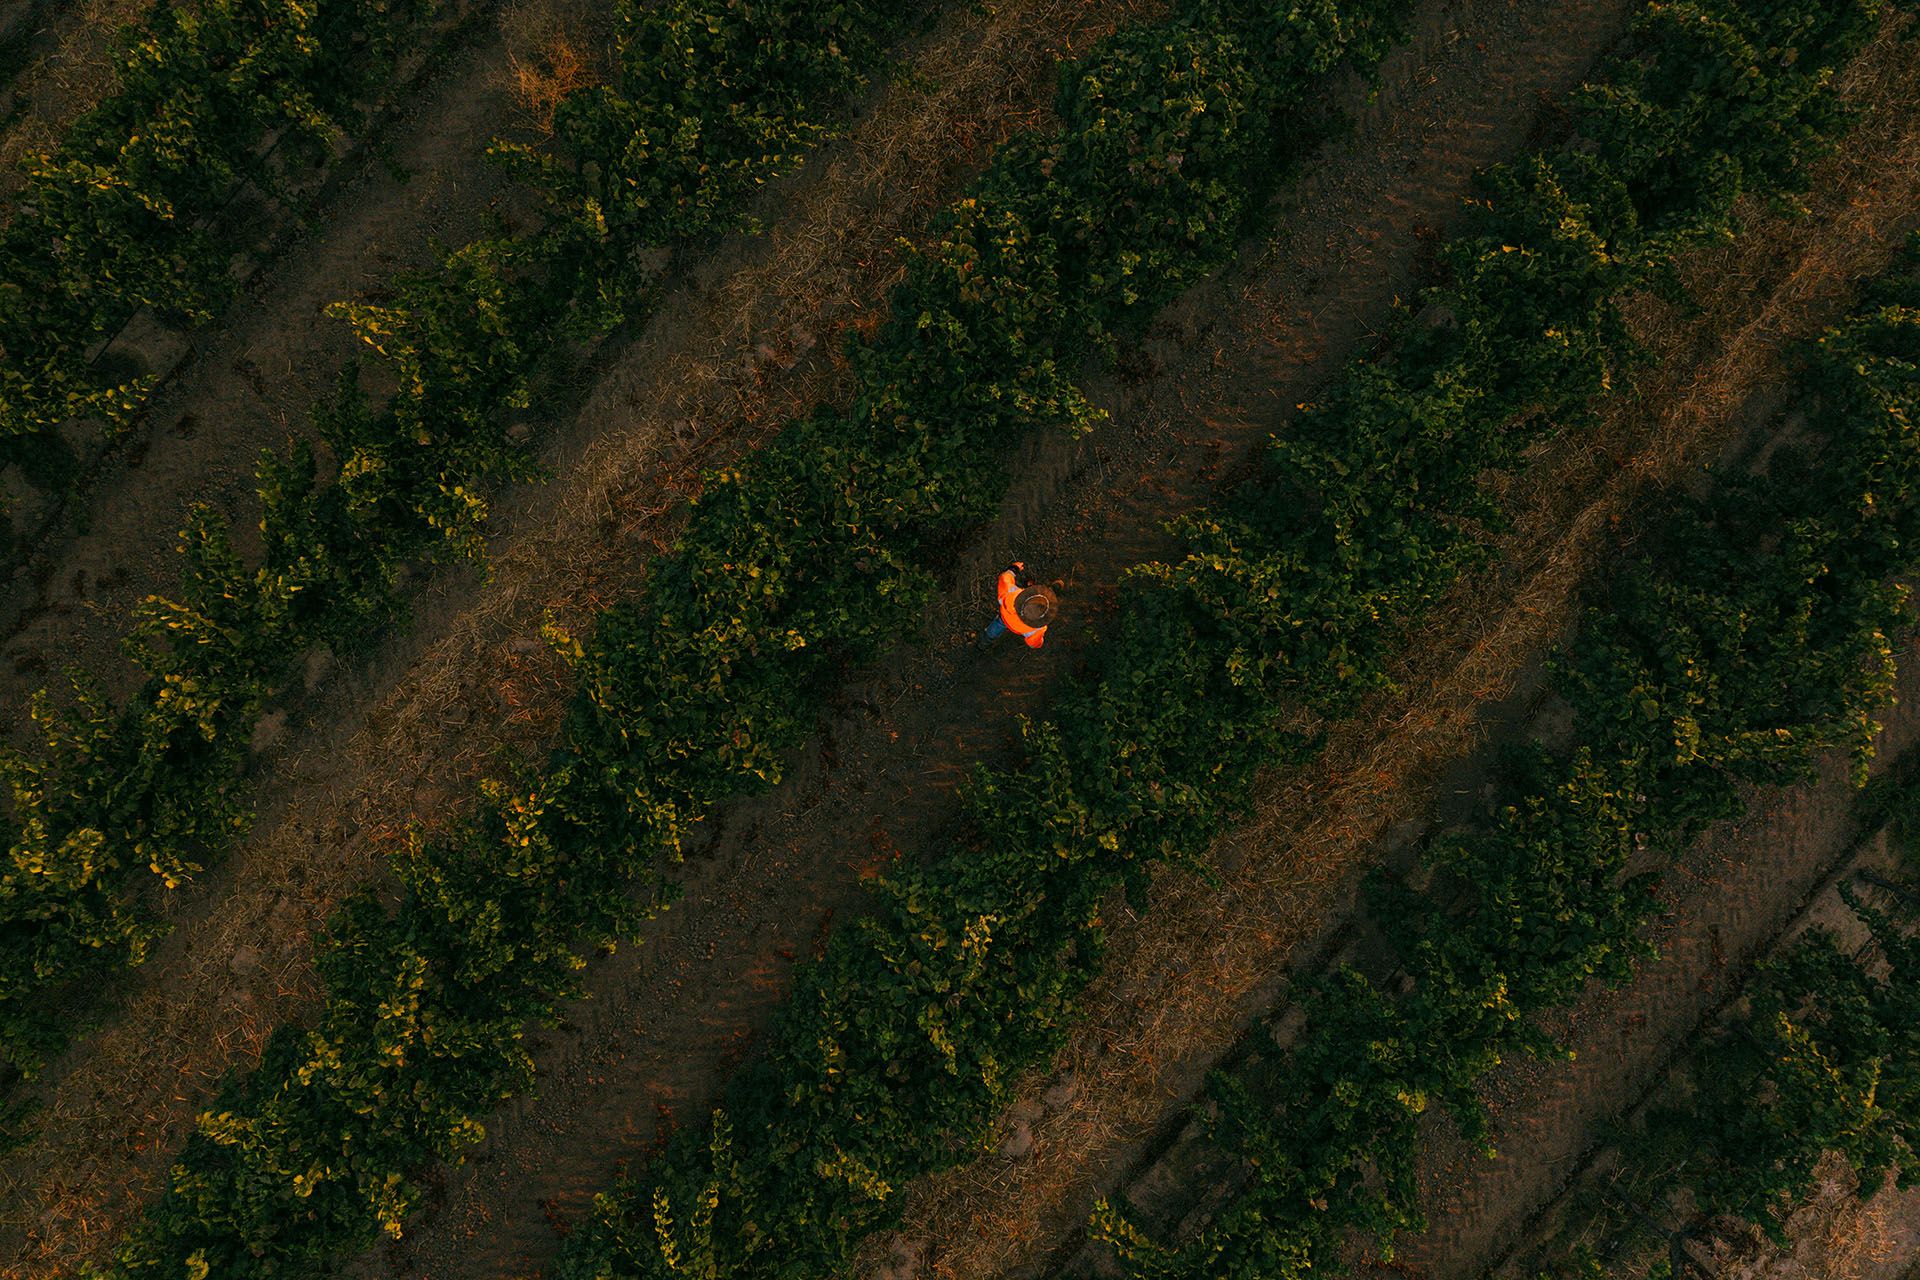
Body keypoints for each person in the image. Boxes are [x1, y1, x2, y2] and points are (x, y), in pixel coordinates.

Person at [981, 561, 1055, 649]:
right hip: (1019, 628)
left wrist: (1014, 569)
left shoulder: (1013, 595)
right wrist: (1040, 642)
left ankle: (984, 642)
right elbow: (1033, 643)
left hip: (1006, 618)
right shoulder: (1039, 627)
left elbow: (1005, 579)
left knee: (997, 626)